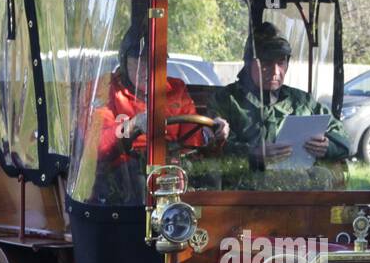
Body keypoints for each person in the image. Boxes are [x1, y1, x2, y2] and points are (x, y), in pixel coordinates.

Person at [210, 22, 350, 166]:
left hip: (298, 185)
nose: (276, 72)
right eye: (266, 63)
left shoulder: (303, 102)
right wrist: (252, 154)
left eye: (281, 62)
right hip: (243, 185)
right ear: (248, 63)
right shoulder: (226, 100)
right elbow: (211, 148)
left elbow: (344, 140)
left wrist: (328, 147)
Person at [91, 25, 228, 171]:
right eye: (141, 61)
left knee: (212, 177)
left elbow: (192, 143)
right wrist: (133, 125)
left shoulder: (176, 89)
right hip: (122, 177)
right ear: (124, 60)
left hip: (170, 171)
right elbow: (97, 148)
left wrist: (212, 132)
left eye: (157, 60)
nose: (149, 68)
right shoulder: (105, 90)